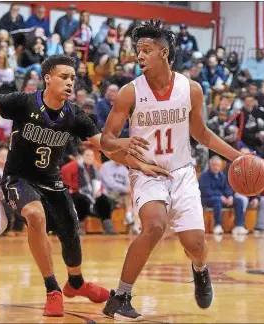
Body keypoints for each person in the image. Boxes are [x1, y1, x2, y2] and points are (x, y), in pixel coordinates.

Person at [0, 54, 170, 317]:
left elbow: (106, 147)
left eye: (72, 78)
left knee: (71, 232)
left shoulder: (74, 114)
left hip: (51, 180)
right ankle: (52, 289)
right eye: (63, 77)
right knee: (34, 214)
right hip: (19, 177)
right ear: (47, 78)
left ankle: (76, 283)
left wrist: (139, 164)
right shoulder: (23, 101)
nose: (69, 83)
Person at [100, 20, 248, 321]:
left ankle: (200, 270)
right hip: (147, 171)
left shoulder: (191, 89)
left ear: (164, 53)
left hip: (181, 172)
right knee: (154, 226)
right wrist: (125, 142)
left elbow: (202, 134)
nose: (139, 56)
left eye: (146, 50)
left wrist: (238, 157)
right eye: (137, 50)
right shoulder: (130, 93)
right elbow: (106, 141)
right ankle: (121, 295)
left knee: (195, 245)